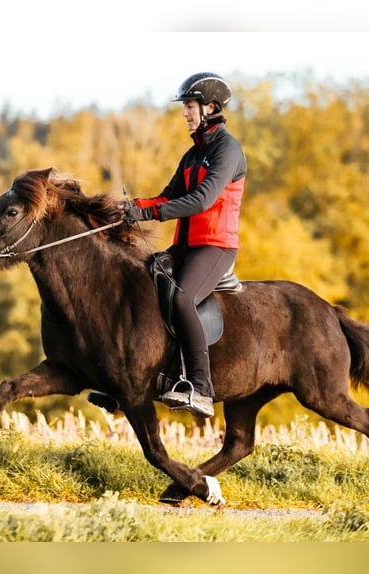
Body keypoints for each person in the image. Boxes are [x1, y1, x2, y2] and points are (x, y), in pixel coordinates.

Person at [125, 72, 247, 418]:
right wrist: (131, 208)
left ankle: (201, 388)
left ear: (210, 107)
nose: (185, 113)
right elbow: (169, 195)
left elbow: (202, 200)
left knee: (182, 297)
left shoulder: (228, 150)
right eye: (185, 108)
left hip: (215, 247)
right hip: (186, 245)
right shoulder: (193, 153)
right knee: (142, 280)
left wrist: (151, 213)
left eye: (190, 107)